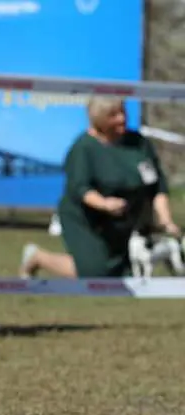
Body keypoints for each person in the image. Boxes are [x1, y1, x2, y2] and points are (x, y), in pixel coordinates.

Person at [19, 97, 180, 279]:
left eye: (123, 112)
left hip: (125, 219)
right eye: (113, 115)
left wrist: (166, 221)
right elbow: (80, 189)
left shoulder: (138, 143)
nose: (121, 119)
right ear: (98, 119)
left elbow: (157, 186)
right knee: (96, 273)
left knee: (124, 273)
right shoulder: (84, 148)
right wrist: (104, 204)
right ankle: (38, 258)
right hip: (87, 219)